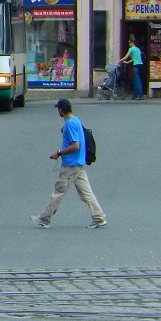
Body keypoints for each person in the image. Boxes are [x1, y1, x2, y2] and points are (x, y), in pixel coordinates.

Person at [31, 98, 107, 229]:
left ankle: (45, 218)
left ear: (61, 110)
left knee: (59, 191)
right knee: (86, 193)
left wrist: (59, 153)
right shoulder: (75, 120)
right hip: (79, 164)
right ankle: (99, 217)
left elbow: (75, 145)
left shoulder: (70, 124)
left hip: (71, 165)